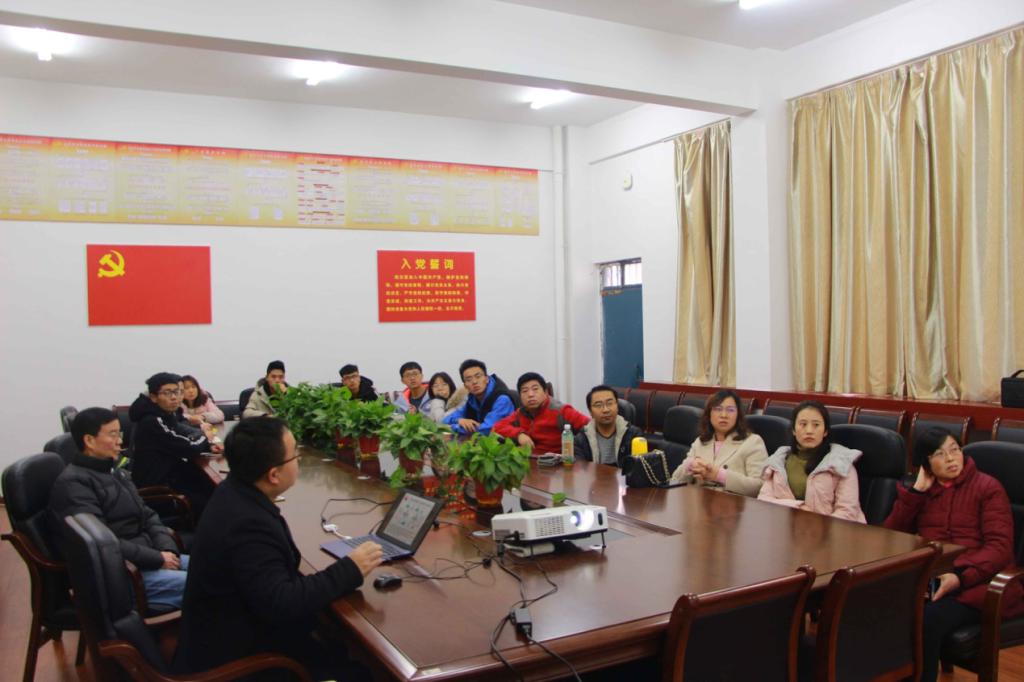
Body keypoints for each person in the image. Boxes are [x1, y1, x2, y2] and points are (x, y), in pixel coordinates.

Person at [175, 417, 382, 680]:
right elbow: (283, 601)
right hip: (243, 662)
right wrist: (350, 568)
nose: (299, 460)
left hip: (237, 632)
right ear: (273, 475)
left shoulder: (233, 492)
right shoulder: (247, 524)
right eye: (294, 455)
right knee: (366, 670)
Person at [884, 427, 1023, 682]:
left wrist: (959, 576)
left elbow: (1000, 549)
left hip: (982, 585)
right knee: (881, 607)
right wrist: (916, 494)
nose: (950, 459)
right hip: (933, 580)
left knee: (926, 619)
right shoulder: (923, 492)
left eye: (955, 450)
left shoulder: (988, 488)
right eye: (940, 454)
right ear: (925, 462)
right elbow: (890, 537)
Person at [50, 407, 189, 609]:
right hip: (124, 574)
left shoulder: (114, 471)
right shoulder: (74, 485)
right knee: (211, 584)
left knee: (218, 569)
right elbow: (103, 543)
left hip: (149, 556)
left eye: (120, 433)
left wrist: (166, 549)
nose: (120, 441)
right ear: (89, 441)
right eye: (113, 435)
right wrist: (157, 559)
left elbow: (147, 515)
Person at [758, 400, 865, 522]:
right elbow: (763, 500)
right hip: (786, 526)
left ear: (825, 431)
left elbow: (848, 512)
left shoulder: (842, 462)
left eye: (816, 425)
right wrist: (799, 508)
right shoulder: (779, 460)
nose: (809, 431)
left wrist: (816, 527)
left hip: (834, 530)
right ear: (793, 430)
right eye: (803, 424)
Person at [129, 372, 221, 514]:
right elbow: (189, 448)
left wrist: (208, 445)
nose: (174, 397)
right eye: (167, 393)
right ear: (153, 397)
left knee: (214, 487)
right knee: (212, 503)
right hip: (161, 489)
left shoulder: (165, 413)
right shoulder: (152, 421)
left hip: (173, 476)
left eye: (177, 392)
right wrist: (206, 437)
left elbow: (181, 432)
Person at [669, 389, 767, 496]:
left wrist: (719, 475)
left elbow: (759, 486)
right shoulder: (701, 441)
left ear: (738, 415)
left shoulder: (753, 442)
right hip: (700, 501)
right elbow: (675, 480)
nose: (724, 415)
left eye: (730, 410)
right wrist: (690, 465)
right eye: (718, 409)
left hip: (732, 502)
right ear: (709, 414)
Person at [494, 372, 590, 454]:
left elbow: (591, 426)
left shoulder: (561, 411)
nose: (530, 395)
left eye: (535, 389)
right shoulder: (521, 412)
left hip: (556, 465)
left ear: (545, 392)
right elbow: (497, 427)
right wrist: (519, 435)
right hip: (529, 463)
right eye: (525, 391)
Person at [574, 385, 644, 467]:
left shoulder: (634, 435)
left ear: (617, 406)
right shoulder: (581, 439)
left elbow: (639, 469)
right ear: (590, 411)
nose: (605, 410)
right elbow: (581, 470)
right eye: (598, 405)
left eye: (610, 403)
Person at [443, 359, 516, 436]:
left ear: (487, 379)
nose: (474, 382)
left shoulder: (502, 399)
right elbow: (444, 421)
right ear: (465, 386)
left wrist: (454, 427)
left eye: (478, 376)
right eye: (469, 379)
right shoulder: (472, 401)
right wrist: (459, 420)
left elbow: (487, 429)